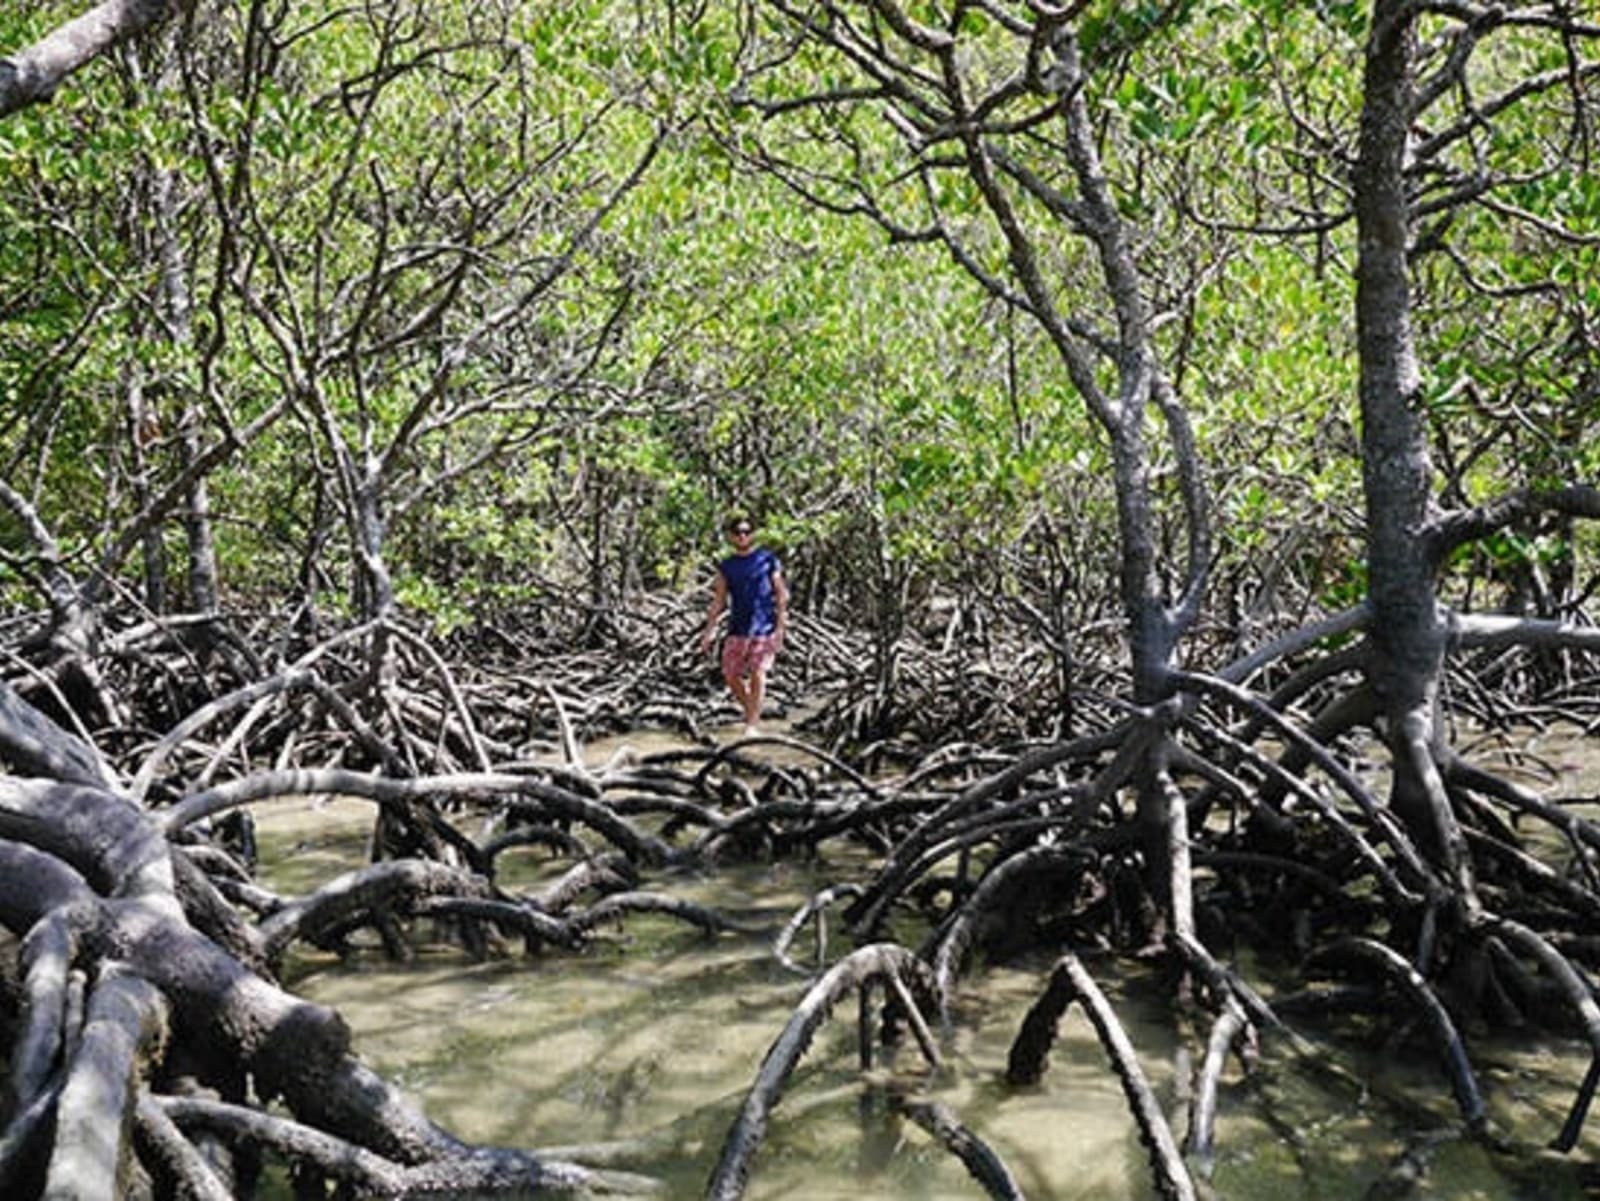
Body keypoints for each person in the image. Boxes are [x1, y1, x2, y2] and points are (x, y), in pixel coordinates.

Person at [700, 513, 788, 734]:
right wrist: (709, 631)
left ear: (753, 535)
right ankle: (751, 710)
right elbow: (719, 600)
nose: (742, 536)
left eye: (746, 532)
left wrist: (780, 628)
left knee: (758, 673)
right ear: (731, 536)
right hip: (738, 627)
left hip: (764, 627)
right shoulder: (726, 566)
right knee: (730, 675)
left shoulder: (767, 560)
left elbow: (781, 594)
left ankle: (752, 724)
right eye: (738, 532)